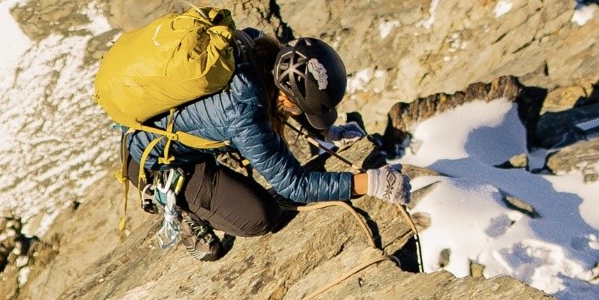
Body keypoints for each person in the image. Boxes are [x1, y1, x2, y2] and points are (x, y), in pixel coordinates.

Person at [125, 32, 411, 261]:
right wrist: (369, 183)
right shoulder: (243, 113)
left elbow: (287, 97)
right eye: (301, 110)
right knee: (260, 217)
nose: (297, 114)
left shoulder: (254, 44)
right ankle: (172, 199)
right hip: (155, 160)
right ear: (285, 96)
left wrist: (326, 130)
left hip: (168, 132)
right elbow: (294, 186)